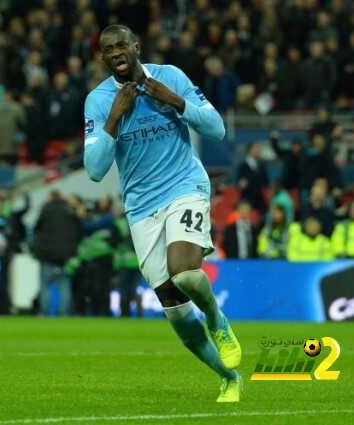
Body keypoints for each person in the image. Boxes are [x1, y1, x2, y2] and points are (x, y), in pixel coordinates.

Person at [83, 25, 242, 402]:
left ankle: (218, 321)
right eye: (108, 49)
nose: (116, 51)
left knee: (186, 273)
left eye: (122, 44)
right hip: (141, 209)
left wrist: (176, 101)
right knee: (175, 309)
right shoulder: (100, 100)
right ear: (103, 58)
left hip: (185, 186)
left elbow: (217, 129)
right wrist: (114, 119)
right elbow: (93, 169)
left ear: (137, 47)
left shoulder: (170, 77)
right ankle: (228, 377)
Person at [32, 190, 82, 316]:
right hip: (65, 258)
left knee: (45, 286)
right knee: (64, 287)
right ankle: (64, 314)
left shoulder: (46, 210)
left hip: (47, 255)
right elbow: (78, 231)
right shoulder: (70, 211)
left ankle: (44, 313)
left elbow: (36, 228)